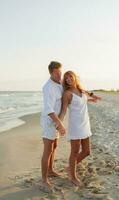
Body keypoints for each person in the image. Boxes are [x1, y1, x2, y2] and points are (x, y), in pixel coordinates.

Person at [59, 71, 101, 186]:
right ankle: (72, 176)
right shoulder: (67, 94)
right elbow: (63, 111)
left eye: (70, 77)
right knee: (74, 151)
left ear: (75, 78)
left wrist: (93, 98)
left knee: (87, 151)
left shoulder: (81, 90)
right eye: (66, 78)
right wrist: (59, 124)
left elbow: (85, 97)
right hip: (76, 126)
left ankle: (69, 167)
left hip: (85, 124)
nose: (68, 79)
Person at [40, 61, 66, 190]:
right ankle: (44, 179)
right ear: (51, 72)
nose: (59, 74)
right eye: (57, 72)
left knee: (54, 145)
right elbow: (48, 109)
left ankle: (50, 170)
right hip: (49, 121)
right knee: (48, 149)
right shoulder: (48, 87)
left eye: (60, 71)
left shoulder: (59, 84)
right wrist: (59, 123)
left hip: (56, 121)